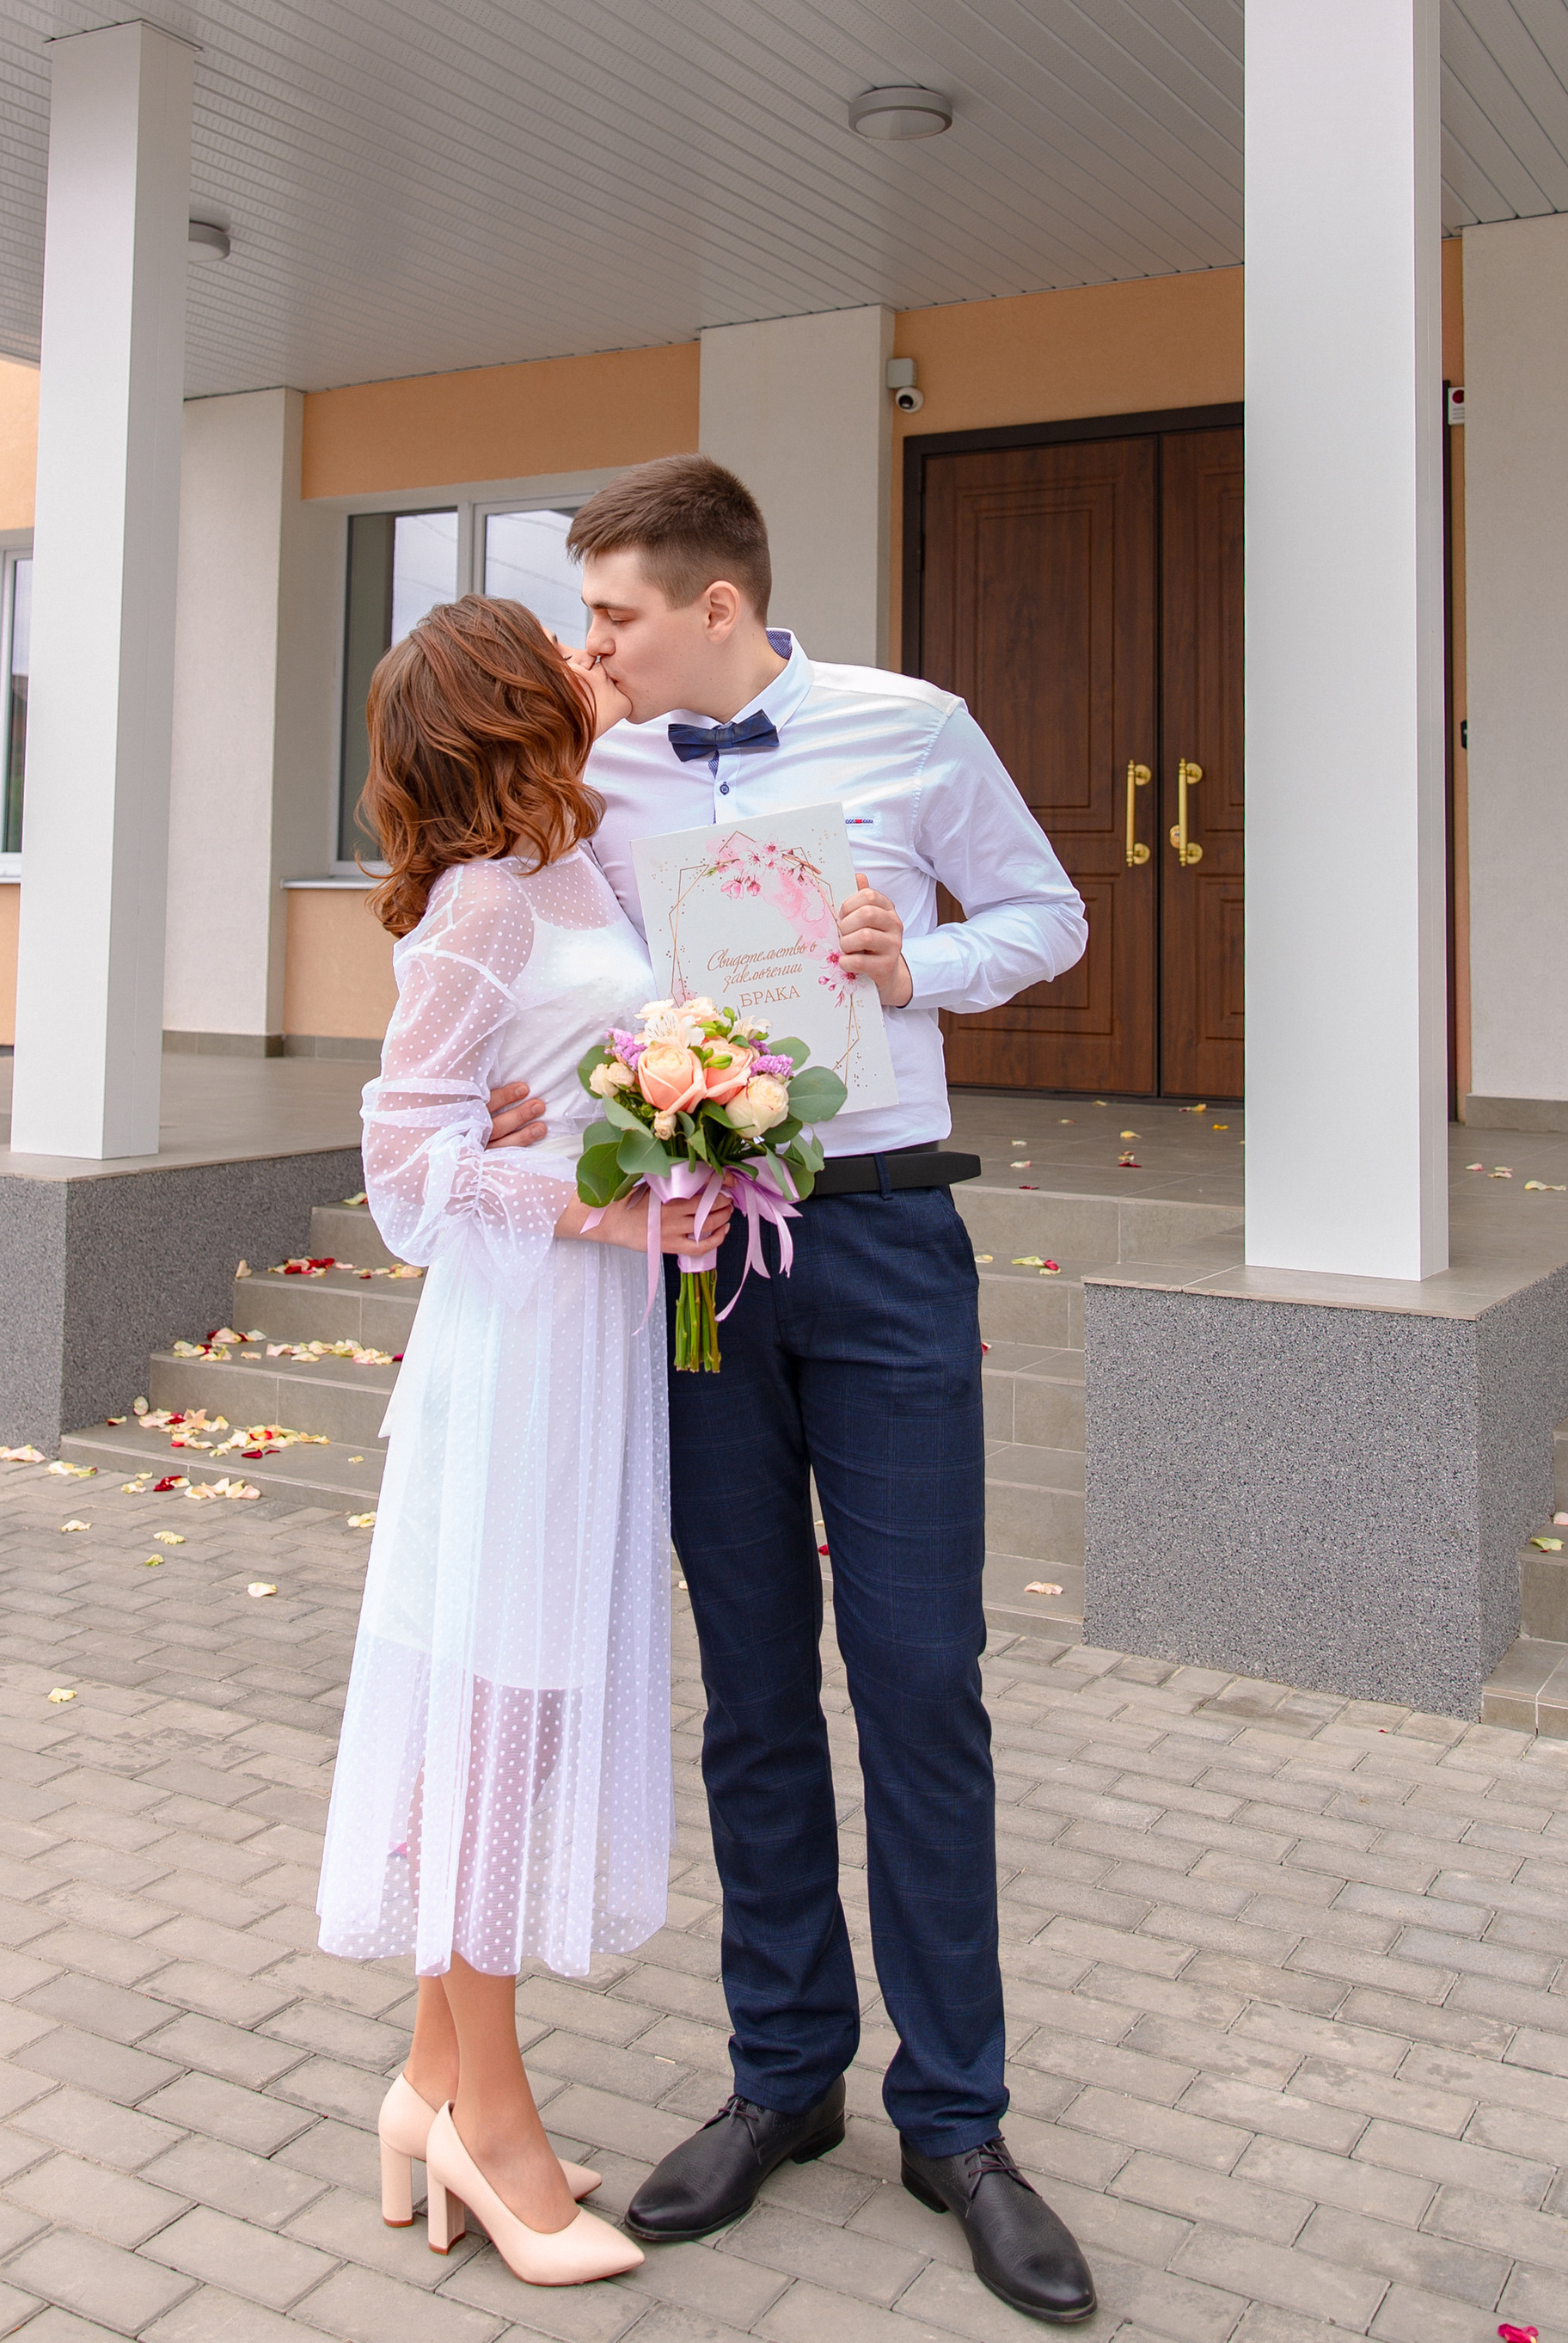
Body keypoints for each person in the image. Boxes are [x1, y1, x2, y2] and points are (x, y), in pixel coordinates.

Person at [493, 452, 1099, 2323]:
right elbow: (525, 957)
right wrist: (527, 1095)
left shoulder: (913, 729)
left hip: (889, 1244)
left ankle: (958, 2120)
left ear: (717, 607)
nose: (586, 645)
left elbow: (1046, 917)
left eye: (609, 614)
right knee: (749, 1681)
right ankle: (780, 2082)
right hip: (693, 1261)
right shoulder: (589, 769)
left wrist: (904, 966)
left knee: (918, 1680)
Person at [315, 592, 700, 2291]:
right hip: (517, 1349)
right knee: (499, 1716)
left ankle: (421, 2083)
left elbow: (579, 1062)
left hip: (582, 1351)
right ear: (499, 707)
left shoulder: (580, 860)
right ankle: (491, 2124)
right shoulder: (478, 903)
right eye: (552, 648)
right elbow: (402, 1172)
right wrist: (595, 1199)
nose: (581, 657)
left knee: (512, 1707)